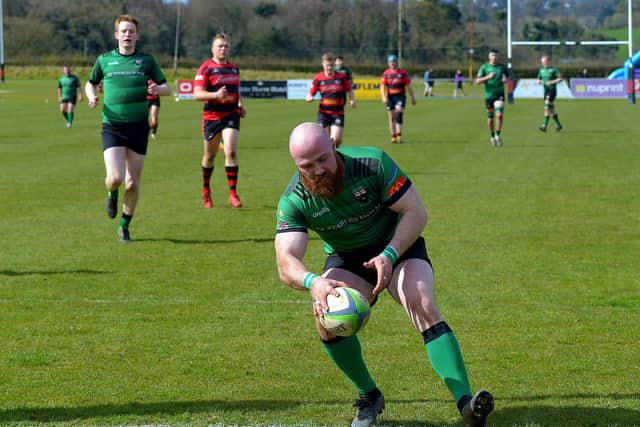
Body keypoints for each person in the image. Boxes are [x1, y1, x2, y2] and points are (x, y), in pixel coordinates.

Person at [274, 122, 494, 427]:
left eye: (323, 158)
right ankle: (369, 395)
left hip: (398, 244)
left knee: (421, 301)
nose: (318, 170)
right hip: (349, 258)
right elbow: (286, 261)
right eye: (307, 165)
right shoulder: (294, 199)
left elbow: (416, 211)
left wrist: (389, 254)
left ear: (334, 146)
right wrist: (315, 282)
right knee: (325, 317)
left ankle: (466, 404)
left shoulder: (372, 164)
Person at [85, 14, 171, 242]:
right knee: (114, 178)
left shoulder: (147, 60)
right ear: (116, 35)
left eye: (131, 31)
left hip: (138, 128)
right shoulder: (104, 60)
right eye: (123, 31)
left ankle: (124, 225)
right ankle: (112, 194)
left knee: (132, 183)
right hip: (112, 126)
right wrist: (92, 96)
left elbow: (167, 87)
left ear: (137, 35)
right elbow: (90, 83)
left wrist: (157, 90)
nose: (127, 35)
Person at [193, 33, 246, 209]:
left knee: (230, 151)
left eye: (225, 46)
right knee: (210, 156)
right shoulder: (205, 68)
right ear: (213, 49)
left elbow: (236, 90)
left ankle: (233, 193)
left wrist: (240, 104)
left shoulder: (234, 69)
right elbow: (197, 94)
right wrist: (216, 95)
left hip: (231, 114)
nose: (223, 49)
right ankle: (206, 190)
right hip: (212, 117)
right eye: (219, 46)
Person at [306, 53, 356, 147]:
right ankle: (331, 158)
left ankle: (332, 154)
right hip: (323, 113)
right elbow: (310, 93)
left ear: (334, 64)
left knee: (336, 139)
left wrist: (352, 100)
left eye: (331, 65)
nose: (329, 68)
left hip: (338, 113)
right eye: (327, 65)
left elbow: (350, 90)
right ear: (323, 65)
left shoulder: (342, 77)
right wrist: (309, 97)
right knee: (323, 141)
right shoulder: (318, 78)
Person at [475, 50, 508, 147]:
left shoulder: (502, 67)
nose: (494, 57)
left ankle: (498, 135)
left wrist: (505, 80)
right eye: (492, 55)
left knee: (499, 114)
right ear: (489, 57)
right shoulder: (484, 67)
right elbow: (477, 81)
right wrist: (488, 77)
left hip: (499, 94)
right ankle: (492, 136)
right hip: (489, 95)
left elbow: (508, 78)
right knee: (490, 118)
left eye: (496, 56)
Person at [381, 54, 416, 144]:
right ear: (389, 63)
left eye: (394, 62)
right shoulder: (386, 73)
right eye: (391, 62)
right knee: (391, 117)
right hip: (390, 97)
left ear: (397, 62)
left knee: (399, 113)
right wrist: (383, 96)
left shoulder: (403, 73)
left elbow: (408, 86)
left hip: (400, 96)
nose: (392, 64)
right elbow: (382, 86)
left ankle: (399, 135)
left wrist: (412, 97)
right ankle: (393, 136)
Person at [536, 55, 564, 132]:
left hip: (552, 90)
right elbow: (538, 78)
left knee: (546, 106)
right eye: (542, 62)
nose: (543, 63)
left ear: (548, 61)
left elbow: (560, 78)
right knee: (551, 109)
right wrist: (538, 81)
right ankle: (558, 125)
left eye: (545, 62)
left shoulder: (554, 69)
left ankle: (544, 126)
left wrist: (551, 82)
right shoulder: (541, 70)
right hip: (546, 91)